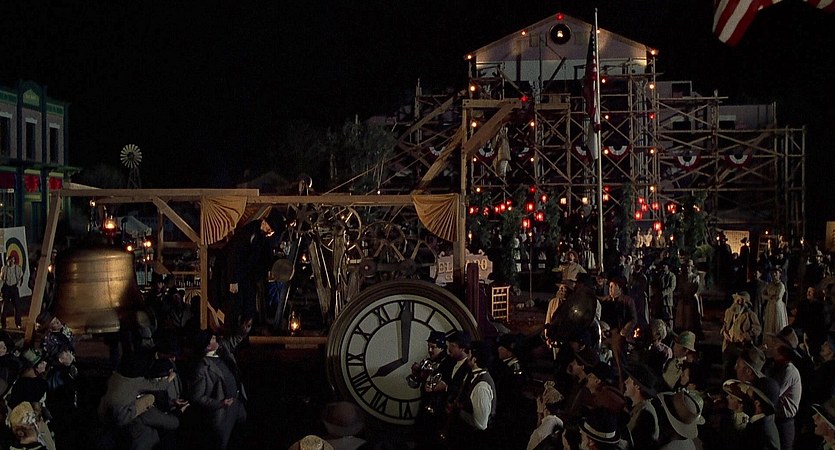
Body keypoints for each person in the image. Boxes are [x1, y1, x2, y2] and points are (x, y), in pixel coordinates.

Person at [190, 319, 252, 450]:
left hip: (238, 402)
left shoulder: (222, 348)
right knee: (222, 443)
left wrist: (243, 331)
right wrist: (220, 403)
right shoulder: (202, 368)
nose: (216, 339)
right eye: (213, 339)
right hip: (223, 411)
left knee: (242, 434)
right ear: (208, 346)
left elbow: (234, 341)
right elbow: (197, 397)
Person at [97, 352, 179, 450]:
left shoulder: (116, 377)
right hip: (122, 415)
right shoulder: (136, 382)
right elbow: (159, 386)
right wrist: (171, 377)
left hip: (104, 412)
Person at [224, 209, 285, 326]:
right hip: (237, 274)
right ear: (264, 222)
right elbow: (234, 256)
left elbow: (266, 255)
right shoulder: (248, 232)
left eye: (271, 231)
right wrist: (233, 280)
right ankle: (233, 331)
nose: (269, 232)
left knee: (249, 307)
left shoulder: (263, 237)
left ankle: (247, 328)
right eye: (269, 229)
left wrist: (269, 269)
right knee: (235, 306)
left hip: (249, 276)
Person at [448, 340, 496, 448]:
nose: (467, 357)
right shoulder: (474, 376)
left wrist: (458, 411)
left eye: (469, 354)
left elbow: (481, 424)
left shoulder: (481, 386)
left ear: (474, 360)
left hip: (474, 441)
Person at [765, 326, 802, 450]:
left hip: (784, 423)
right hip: (776, 419)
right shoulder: (774, 366)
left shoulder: (788, 370)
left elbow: (772, 393)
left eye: (776, 343)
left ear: (783, 349)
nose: (772, 345)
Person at [723, 379, 780, 450]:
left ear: (757, 403)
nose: (743, 399)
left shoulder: (764, 435)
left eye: (747, 396)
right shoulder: (758, 422)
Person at [721, 291, 762, 379]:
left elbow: (757, 329)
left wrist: (745, 336)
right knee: (727, 368)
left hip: (741, 347)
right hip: (729, 345)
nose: (738, 302)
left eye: (742, 300)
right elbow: (724, 325)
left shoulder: (750, 315)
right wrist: (724, 332)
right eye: (737, 299)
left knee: (738, 369)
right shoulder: (728, 312)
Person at [624, 362, 660, 450]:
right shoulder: (639, 407)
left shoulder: (644, 412)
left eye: (629, 380)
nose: (625, 382)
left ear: (637, 386)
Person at [674, 261, 702, 335]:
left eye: (689, 266)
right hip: (683, 298)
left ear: (692, 268)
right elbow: (680, 288)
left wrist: (690, 295)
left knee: (691, 316)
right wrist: (682, 295)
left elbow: (696, 289)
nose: (687, 268)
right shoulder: (682, 277)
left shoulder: (695, 277)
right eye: (686, 266)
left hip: (692, 299)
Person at [1, 254, 24, 329]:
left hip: (14, 288)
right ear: (7, 261)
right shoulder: (4, 268)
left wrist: (18, 286)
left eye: (12, 260)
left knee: (17, 306)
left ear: (14, 261)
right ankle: (3, 324)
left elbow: (21, 278)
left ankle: (18, 323)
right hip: (7, 288)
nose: (11, 261)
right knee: (5, 307)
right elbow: (2, 280)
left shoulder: (17, 268)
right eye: (9, 260)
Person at [762, 268, 787, 336]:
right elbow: (763, 295)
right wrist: (769, 297)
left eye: (776, 272)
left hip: (777, 306)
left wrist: (769, 296)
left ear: (780, 274)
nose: (774, 274)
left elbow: (778, 297)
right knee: (770, 323)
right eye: (773, 272)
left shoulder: (781, 285)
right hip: (770, 306)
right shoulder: (769, 285)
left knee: (777, 323)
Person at [659, 263, 676, 330]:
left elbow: (672, 287)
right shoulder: (661, 275)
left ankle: (670, 330)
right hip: (661, 300)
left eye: (665, 265)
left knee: (669, 317)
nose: (663, 266)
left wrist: (663, 292)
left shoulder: (672, 276)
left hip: (668, 300)